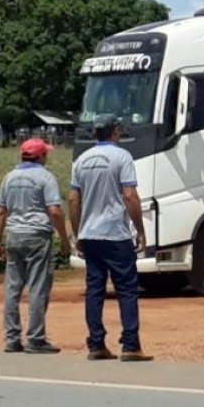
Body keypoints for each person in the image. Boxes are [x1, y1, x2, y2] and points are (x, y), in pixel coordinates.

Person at [69, 113, 153, 361]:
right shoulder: (122, 156)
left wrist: (78, 233)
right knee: (127, 290)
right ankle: (130, 345)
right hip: (115, 234)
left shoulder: (81, 160)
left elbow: (74, 200)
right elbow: (129, 195)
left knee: (94, 290)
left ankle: (96, 343)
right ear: (115, 130)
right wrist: (140, 229)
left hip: (90, 234)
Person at [0, 138, 71, 354]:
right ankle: (36, 338)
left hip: (14, 236)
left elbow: (1, 211)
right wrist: (64, 239)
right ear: (41, 156)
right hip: (38, 236)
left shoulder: (10, 177)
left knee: (12, 288)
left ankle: (12, 338)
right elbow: (54, 211)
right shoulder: (45, 177)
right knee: (38, 287)